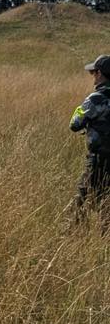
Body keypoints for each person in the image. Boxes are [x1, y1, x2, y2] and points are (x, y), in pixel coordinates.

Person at [71, 54, 110, 217]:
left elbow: (75, 124)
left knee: (79, 206)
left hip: (98, 161)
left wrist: (79, 110)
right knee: (105, 206)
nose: (93, 76)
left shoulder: (95, 99)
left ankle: (74, 231)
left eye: (93, 72)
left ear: (100, 73)